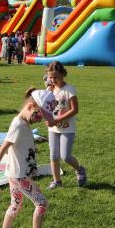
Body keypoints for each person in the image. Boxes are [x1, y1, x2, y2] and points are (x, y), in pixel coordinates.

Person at [0, 87, 51, 228]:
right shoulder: (19, 125)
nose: (39, 120)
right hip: (20, 176)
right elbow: (2, 149)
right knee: (42, 203)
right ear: (30, 106)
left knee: (15, 205)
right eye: (38, 115)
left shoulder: (24, 123)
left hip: (16, 174)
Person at [45, 61, 87, 189]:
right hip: (53, 128)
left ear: (63, 74)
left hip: (67, 128)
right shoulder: (49, 90)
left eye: (56, 77)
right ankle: (57, 181)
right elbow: (46, 107)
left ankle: (80, 169)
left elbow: (75, 110)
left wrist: (57, 120)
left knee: (65, 156)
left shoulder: (70, 90)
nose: (53, 80)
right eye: (50, 77)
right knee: (53, 156)